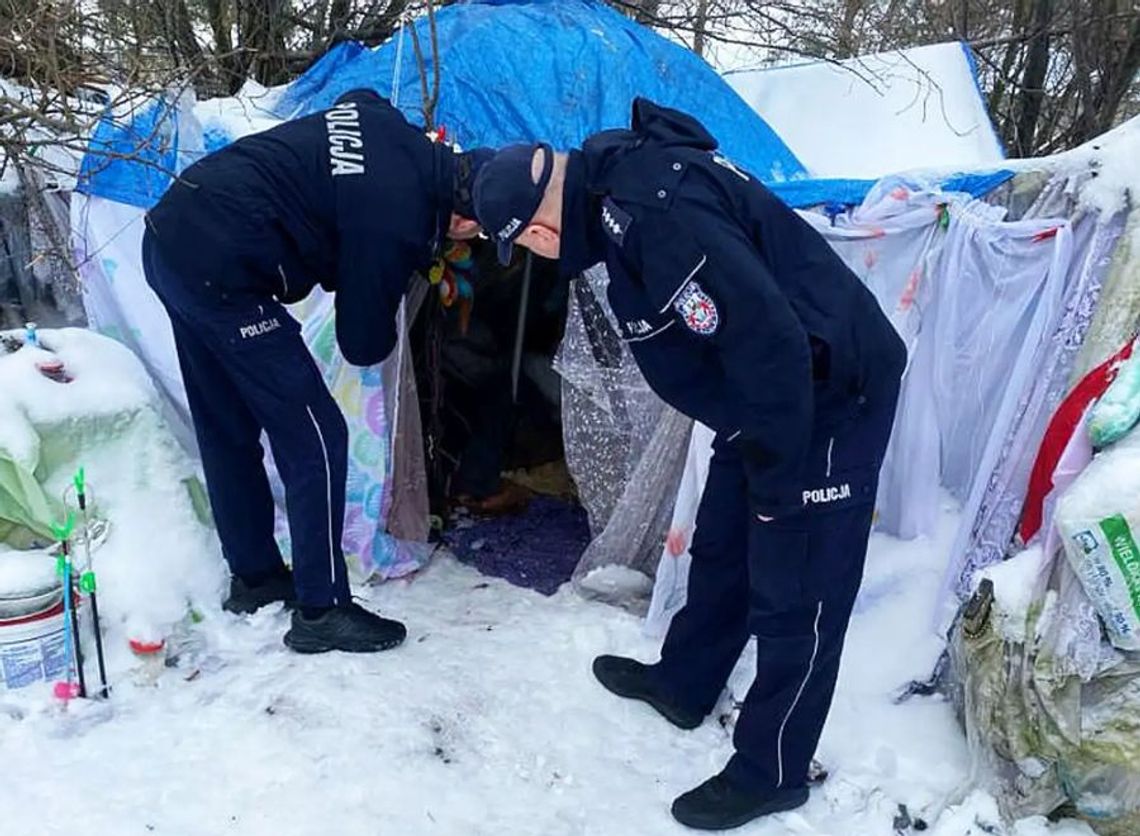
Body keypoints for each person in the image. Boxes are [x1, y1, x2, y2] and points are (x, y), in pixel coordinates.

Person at [472, 99, 907, 830]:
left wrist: (776, 479)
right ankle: (685, 681)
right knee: (723, 537)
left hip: (828, 389)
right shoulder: (615, 197)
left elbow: (771, 342)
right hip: (764, 393)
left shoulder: (655, 214)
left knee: (797, 581)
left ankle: (773, 769)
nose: (543, 255)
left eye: (533, 248)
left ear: (540, 231)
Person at [143, 88, 487, 654]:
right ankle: (323, 610)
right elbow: (361, 343)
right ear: (462, 219)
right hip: (222, 271)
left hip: (171, 236)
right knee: (318, 433)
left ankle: (255, 577)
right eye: (471, 233)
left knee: (227, 425)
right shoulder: (396, 222)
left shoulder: (392, 130)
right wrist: (389, 269)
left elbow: (359, 98)